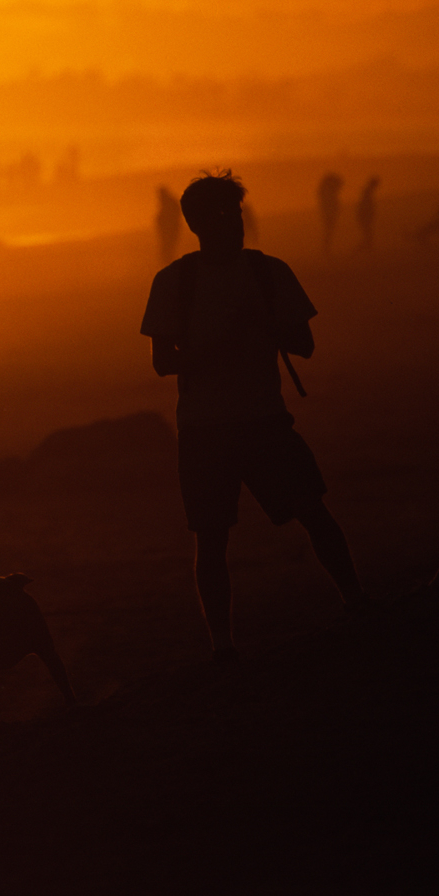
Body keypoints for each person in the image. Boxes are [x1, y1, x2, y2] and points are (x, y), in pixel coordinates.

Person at [140, 170, 369, 666]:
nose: (234, 224)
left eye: (236, 214)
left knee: (314, 511)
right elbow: (163, 362)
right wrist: (219, 345)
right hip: (204, 428)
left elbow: (304, 345)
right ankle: (222, 646)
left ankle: (356, 602)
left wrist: (267, 328)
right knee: (211, 537)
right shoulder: (174, 282)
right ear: (197, 225)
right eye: (222, 216)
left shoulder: (270, 273)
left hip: (265, 419)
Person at [317, 172, 343, 256]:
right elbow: (330, 204)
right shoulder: (328, 193)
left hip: (329, 213)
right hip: (329, 214)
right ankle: (326, 250)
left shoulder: (324, 191)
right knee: (329, 231)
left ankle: (326, 249)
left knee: (329, 231)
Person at [156, 185, 181, 264]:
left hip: (170, 229)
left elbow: (173, 216)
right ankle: (168, 261)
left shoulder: (169, 202)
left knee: (168, 247)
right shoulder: (168, 201)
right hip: (168, 229)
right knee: (168, 247)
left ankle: (168, 262)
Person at [356, 176, 379, 251]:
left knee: (367, 232)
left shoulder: (367, 191)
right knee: (368, 233)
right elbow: (365, 204)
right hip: (364, 215)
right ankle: (363, 248)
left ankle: (366, 247)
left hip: (364, 215)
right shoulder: (367, 192)